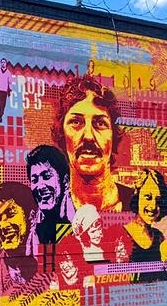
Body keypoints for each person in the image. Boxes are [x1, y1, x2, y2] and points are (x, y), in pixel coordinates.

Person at [51, 76, 132, 211]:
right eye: (76, 122)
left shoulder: (138, 205)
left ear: (113, 136)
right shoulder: (49, 209)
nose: (88, 136)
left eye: (100, 123)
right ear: (62, 134)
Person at [26, 145, 75, 272]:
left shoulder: (79, 221)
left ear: (65, 181)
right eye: (35, 180)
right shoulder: (35, 229)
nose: (40, 186)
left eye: (47, 176)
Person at [123, 169, 167, 281]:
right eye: (148, 197)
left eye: (158, 200)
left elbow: (164, 275)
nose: (153, 206)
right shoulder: (122, 235)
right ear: (137, 197)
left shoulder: (159, 238)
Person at [0, 58, 12, 122]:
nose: (3, 63)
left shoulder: (8, 73)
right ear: (1, 63)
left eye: (4, 62)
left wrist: (10, 90)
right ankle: (1, 112)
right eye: (2, 62)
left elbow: (10, 82)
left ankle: (1, 114)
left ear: (6, 63)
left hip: (5, 91)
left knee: (3, 104)